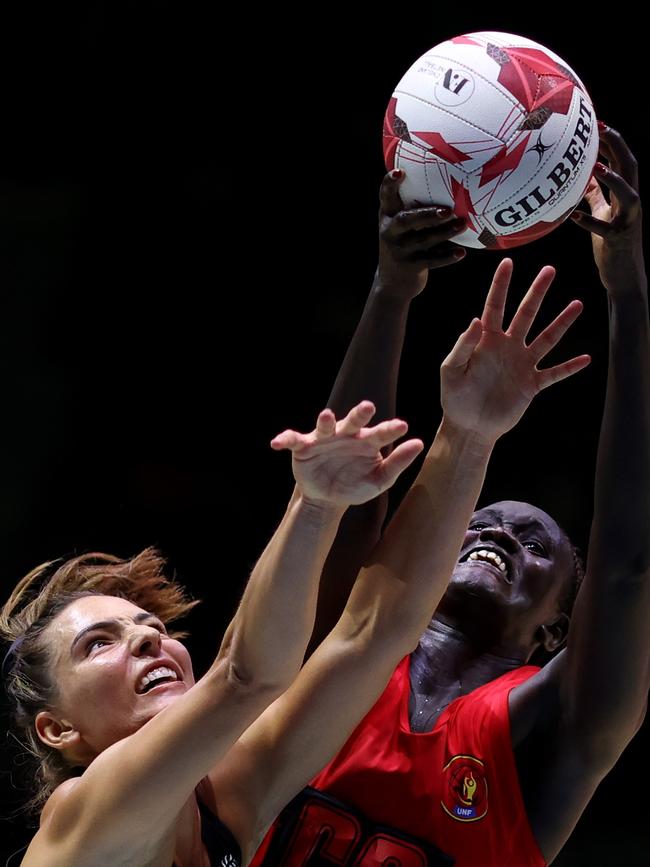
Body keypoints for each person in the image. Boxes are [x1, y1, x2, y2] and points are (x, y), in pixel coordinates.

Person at [1, 253, 585, 864]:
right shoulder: (79, 818)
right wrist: (312, 507)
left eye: (152, 628)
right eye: (98, 643)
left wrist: (468, 434)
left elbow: (373, 633)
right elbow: (246, 675)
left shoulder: (226, 804)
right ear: (57, 729)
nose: (150, 642)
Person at [250, 124, 649, 866]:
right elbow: (347, 488)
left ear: (558, 629)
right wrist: (391, 286)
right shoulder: (338, 644)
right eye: (477, 525)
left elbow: (627, 564)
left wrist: (627, 288)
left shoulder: (551, 733)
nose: (493, 534)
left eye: (535, 545)